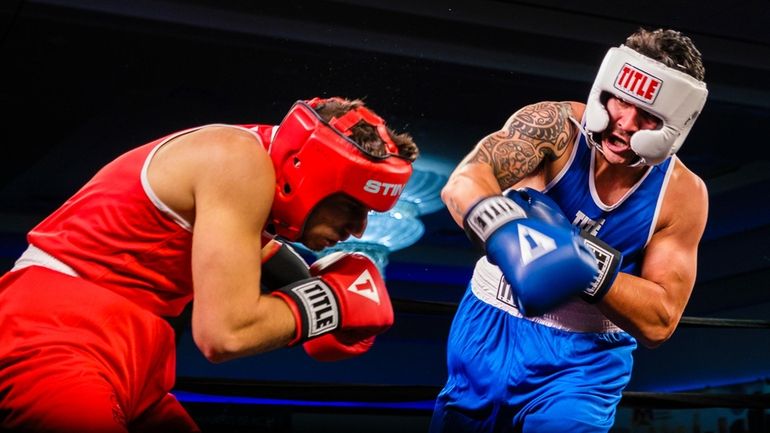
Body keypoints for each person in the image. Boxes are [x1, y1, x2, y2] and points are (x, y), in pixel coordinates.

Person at [0, 97, 418, 432]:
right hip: (54, 337)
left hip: (134, 355)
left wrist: (318, 293)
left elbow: (259, 256)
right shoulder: (236, 160)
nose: (358, 229)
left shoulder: (254, 181)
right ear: (312, 174)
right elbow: (225, 335)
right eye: (350, 206)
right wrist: (331, 302)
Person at [431, 28, 709, 432]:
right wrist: (510, 234)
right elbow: (463, 183)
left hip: (583, 362)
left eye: (648, 115)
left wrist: (583, 263)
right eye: (621, 100)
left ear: (676, 125)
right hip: (487, 327)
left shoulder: (682, 194)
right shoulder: (555, 127)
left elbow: (660, 320)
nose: (625, 123)